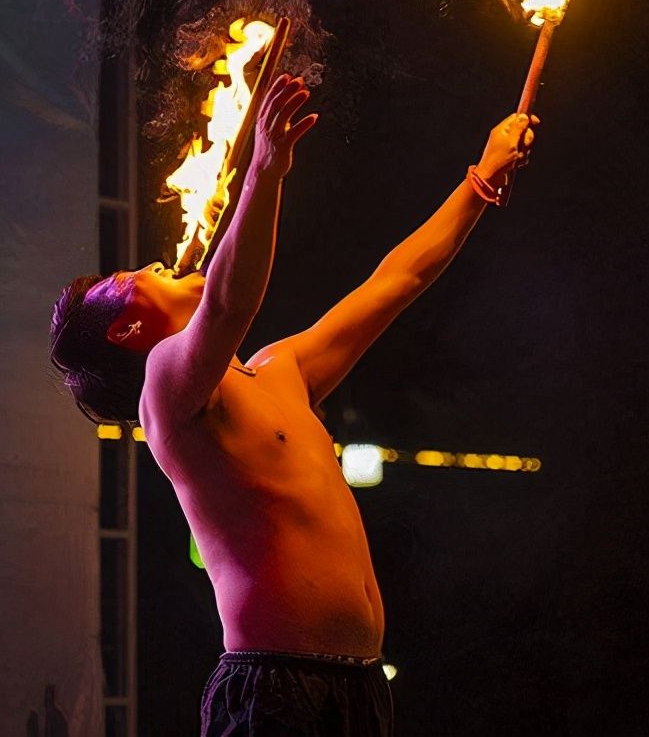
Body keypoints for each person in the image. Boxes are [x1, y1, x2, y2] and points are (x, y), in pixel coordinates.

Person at [50, 73, 537, 735]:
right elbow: (229, 301)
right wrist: (263, 172)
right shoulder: (163, 392)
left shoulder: (279, 369)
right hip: (272, 686)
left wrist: (480, 179)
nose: (159, 264)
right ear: (126, 331)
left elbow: (395, 281)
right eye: (137, 277)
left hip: (359, 685)